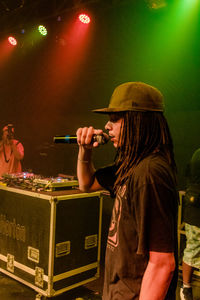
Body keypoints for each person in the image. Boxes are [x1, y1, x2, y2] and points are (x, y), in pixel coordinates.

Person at [76, 82, 178, 300]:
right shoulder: (131, 165)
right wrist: (84, 152)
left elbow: (162, 264)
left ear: (138, 120)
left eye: (115, 119)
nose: (107, 126)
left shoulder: (150, 173)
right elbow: (87, 184)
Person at [180, 148, 200, 300]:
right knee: (193, 248)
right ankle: (186, 288)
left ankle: (186, 288)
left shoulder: (197, 153)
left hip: (192, 209)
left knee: (192, 249)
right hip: (196, 211)